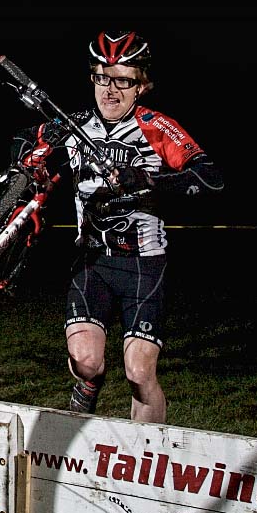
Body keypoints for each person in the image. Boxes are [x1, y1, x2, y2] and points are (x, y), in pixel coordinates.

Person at [17, 31, 223, 422]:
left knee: (140, 373)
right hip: (92, 262)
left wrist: (150, 183)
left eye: (123, 80)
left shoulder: (157, 126)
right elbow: (22, 140)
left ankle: (145, 461)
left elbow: (211, 178)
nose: (110, 90)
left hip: (144, 264)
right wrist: (28, 159)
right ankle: (89, 386)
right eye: (101, 77)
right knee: (85, 362)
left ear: (141, 85)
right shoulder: (75, 126)